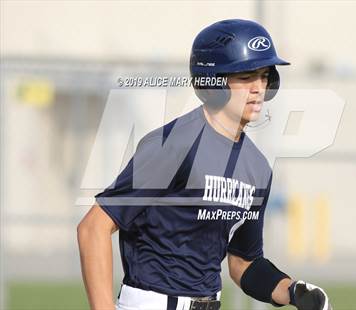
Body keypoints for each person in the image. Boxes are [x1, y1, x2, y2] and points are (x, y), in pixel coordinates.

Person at [77, 19, 332, 310]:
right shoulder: (173, 145)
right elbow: (93, 228)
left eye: (264, 76)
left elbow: (243, 261)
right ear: (213, 81)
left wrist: (293, 291)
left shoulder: (258, 168)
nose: (259, 88)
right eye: (246, 76)